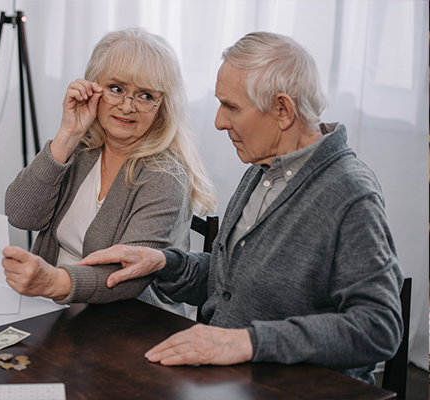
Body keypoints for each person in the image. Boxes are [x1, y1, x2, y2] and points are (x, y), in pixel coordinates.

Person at [77, 31, 404, 384]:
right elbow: (229, 283)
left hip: (297, 388)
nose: (219, 121)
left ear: (282, 110)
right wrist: (165, 263)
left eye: (231, 107)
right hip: (227, 378)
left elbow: (378, 327)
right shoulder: (262, 170)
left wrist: (247, 342)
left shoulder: (350, 193)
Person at [2, 27, 216, 316]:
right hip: (53, 308)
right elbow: (20, 215)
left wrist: (54, 282)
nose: (127, 106)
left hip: (130, 322)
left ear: (162, 106)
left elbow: (129, 274)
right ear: (93, 89)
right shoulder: (82, 148)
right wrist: (66, 136)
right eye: (116, 88)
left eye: (145, 95)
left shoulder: (165, 175)